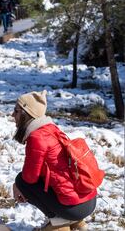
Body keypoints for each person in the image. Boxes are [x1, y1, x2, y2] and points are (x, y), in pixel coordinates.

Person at [11, 90, 97, 231]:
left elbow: (29, 178)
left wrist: (16, 185)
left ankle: (60, 222)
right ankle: (75, 221)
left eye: (16, 111)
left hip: (76, 207)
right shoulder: (50, 128)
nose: (12, 115)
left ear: (26, 114)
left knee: (22, 181)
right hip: (88, 200)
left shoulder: (37, 138)